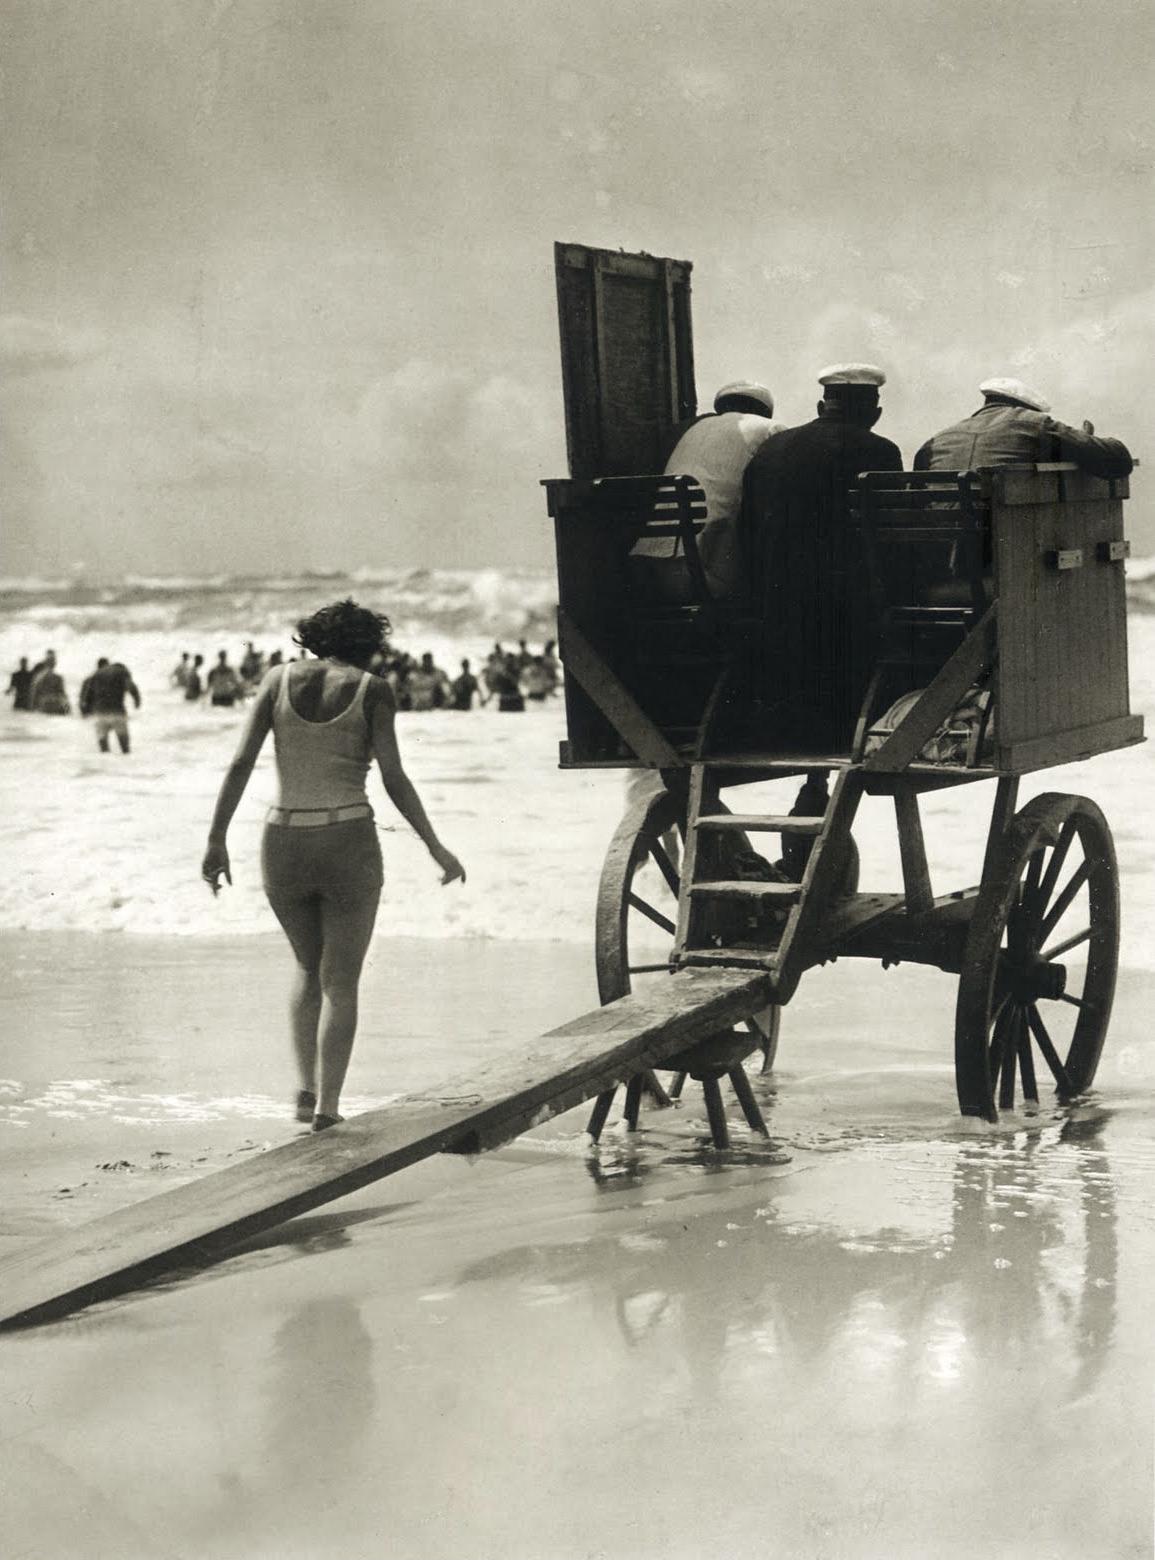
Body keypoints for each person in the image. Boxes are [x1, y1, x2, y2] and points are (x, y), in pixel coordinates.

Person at [201, 598, 465, 1132]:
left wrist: (216, 840)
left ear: (315, 639)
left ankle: (304, 1089)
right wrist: (436, 847)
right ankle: (328, 1109)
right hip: (347, 839)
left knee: (306, 966)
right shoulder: (372, 690)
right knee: (341, 982)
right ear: (370, 645)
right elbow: (394, 778)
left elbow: (240, 762)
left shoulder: (276, 680)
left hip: (283, 840)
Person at [740, 363, 903, 749]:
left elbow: (747, 529)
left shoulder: (771, 448)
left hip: (774, 600)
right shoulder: (878, 451)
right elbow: (890, 536)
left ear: (820, 406)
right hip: (844, 606)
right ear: (874, 413)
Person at [631, 380, 785, 600]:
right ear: (765, 412)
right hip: (706, 575)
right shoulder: (769, 429)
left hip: (649, 571)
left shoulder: (689, 431)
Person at [913, 377, 1134, 479]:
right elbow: (1118, 460)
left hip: (935, 554)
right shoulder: (1034, 424)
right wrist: (1080, 441)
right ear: (1029, 409)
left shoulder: (939, 438)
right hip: (1002, 543)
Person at [79, 657, 141, 753]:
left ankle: (105, 765)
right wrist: (137, 700)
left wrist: (85, 712)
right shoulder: (121, 671)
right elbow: (130, 686)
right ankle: (125, 765)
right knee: (125, 748)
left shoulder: (96, 674)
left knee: (104, 750)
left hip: (100, 714)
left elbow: (88, 695)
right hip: (117, 712)